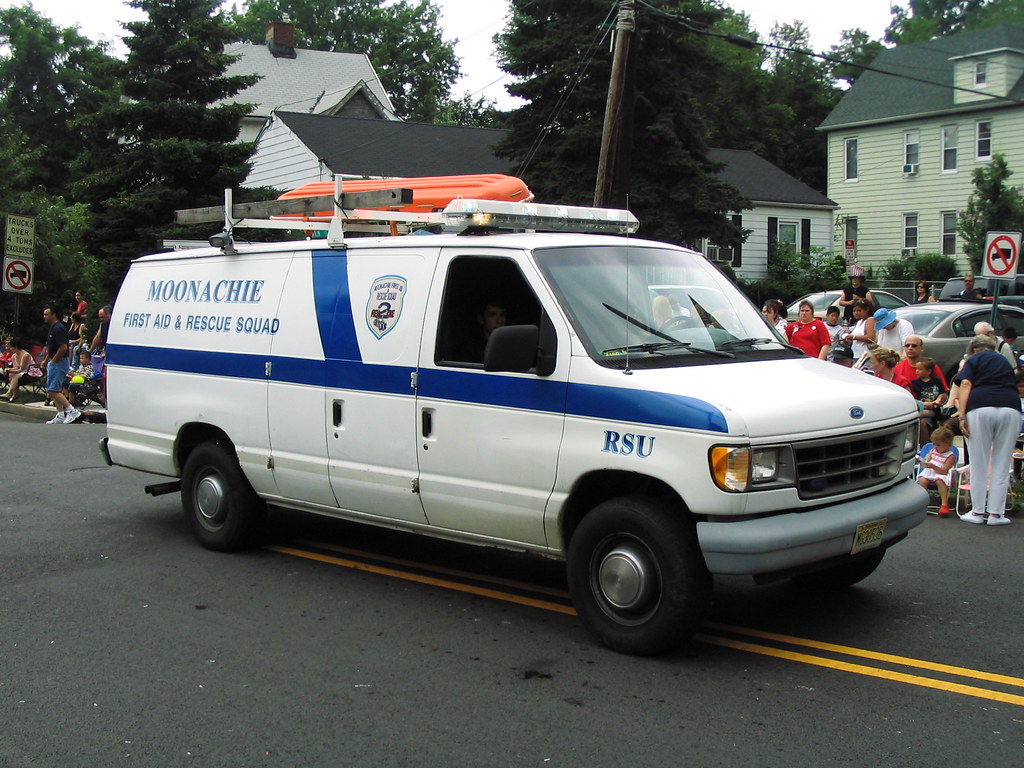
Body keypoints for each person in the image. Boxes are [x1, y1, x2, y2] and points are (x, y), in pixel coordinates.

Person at [953, 334, 1019, 525]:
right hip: (1010, 407)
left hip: (980, 407)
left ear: (974, 349)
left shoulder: (972, 360)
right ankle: (997, 514)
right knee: (1002, 461)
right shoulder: (1005, 361)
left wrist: (962, 414)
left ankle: (977, 511)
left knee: (979, 461)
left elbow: (965, 383)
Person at [41, 306, 80, 425]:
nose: (44, 316)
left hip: (59, 362)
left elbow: (63, 347)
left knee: (52, 390)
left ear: (53, 315)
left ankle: (71, 410)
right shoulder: (52, 329)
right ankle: (60, 414)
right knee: (55, 389)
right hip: (53, 360)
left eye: (46, 314)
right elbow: (51, 347)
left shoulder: (58, 329)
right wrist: (47, 359)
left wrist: (54, 361)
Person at [917, 426, 957, 517]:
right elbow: (928, 460)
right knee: (922, 480)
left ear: (948, 444)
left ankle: (944, 504)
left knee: (940, 481)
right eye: (934, 444)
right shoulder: (933, 451)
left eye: (938, 445)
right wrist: (925, 463)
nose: (936, 447)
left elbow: (944, 471)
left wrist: (933, 466)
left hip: (941, 474)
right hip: (930, 472)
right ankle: (923, 502)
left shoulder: (950, 456)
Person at [911, 357, 949, 443]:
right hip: (923, 407)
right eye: (916, 369)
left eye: (920, 369)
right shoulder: (915, 383)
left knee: (919, 415)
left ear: (929, 371)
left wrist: (938, 400)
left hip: (934, 409)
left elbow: (942, 393)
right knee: (921, 418)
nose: (917, 371)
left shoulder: (936, 381)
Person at [843, 299, 876, 366]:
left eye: (859, 310)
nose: (856, 313)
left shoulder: (870, 320)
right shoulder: (859, 322)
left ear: (867, 309)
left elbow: (871, 337)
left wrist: (854, 337)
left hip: (865, 356)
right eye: (854, 311)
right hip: (856, 355)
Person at [0, 337, 34, 401]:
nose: (10, 349)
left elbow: (21, 369)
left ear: (16, 347)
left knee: (16, 375)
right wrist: (9, 370)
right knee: (11, 374)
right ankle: (15, 394)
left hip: (29, 371)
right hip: (21, 371)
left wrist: (11, 370)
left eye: (11, 347)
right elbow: (16, 367)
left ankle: (8, 393)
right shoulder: (14, 356)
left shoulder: (25, 355)